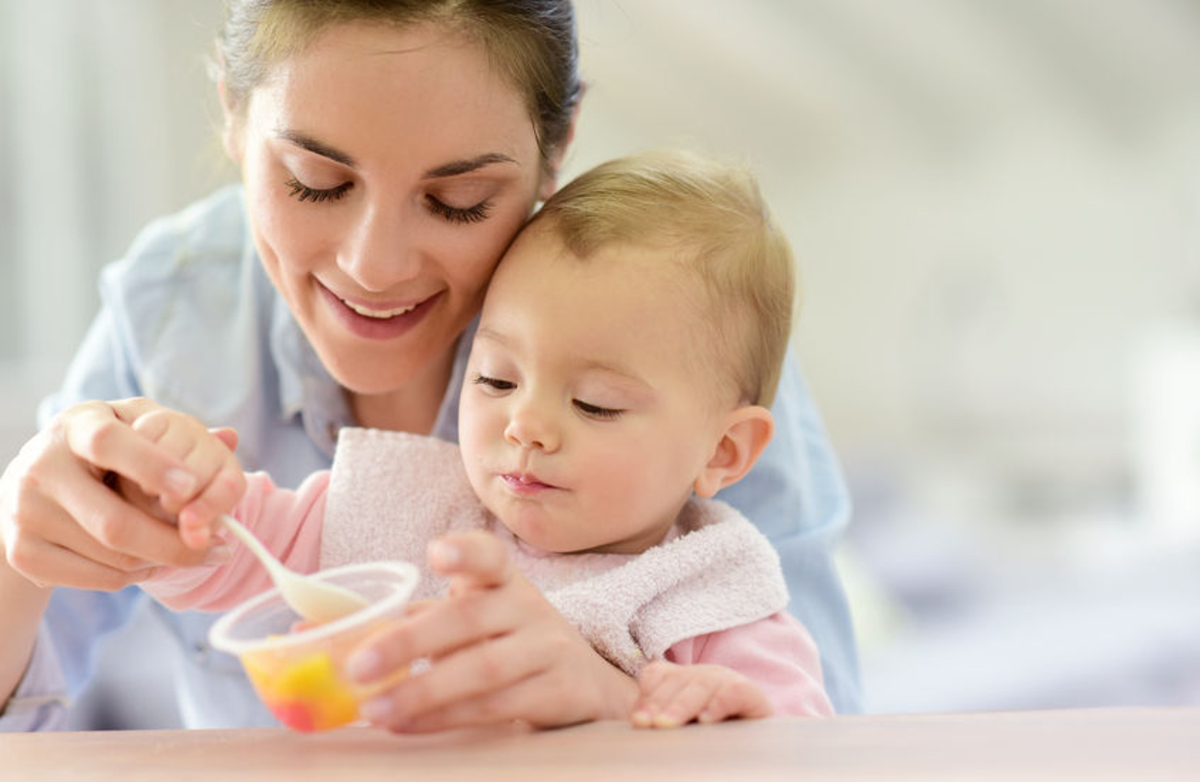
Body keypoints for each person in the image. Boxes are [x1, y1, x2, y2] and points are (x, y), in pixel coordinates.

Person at [0, 0, 857, 733]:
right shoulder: (174, 307)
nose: (375, 267)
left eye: (459, 201)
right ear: (231, 112)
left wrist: (608, 701)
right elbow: (227, 551)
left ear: (556, 147)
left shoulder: (674, 328)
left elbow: (812, 742)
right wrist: (33, 546)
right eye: (314, 181)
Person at [130, 150, 835, 728]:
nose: (524, 425)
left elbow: (805, 762)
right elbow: (235, 553)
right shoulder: (409, 508)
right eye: (496, 380)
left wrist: (647, 712)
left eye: (594, 403)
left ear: (723, 452)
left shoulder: (713, 601)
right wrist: (177, 496)